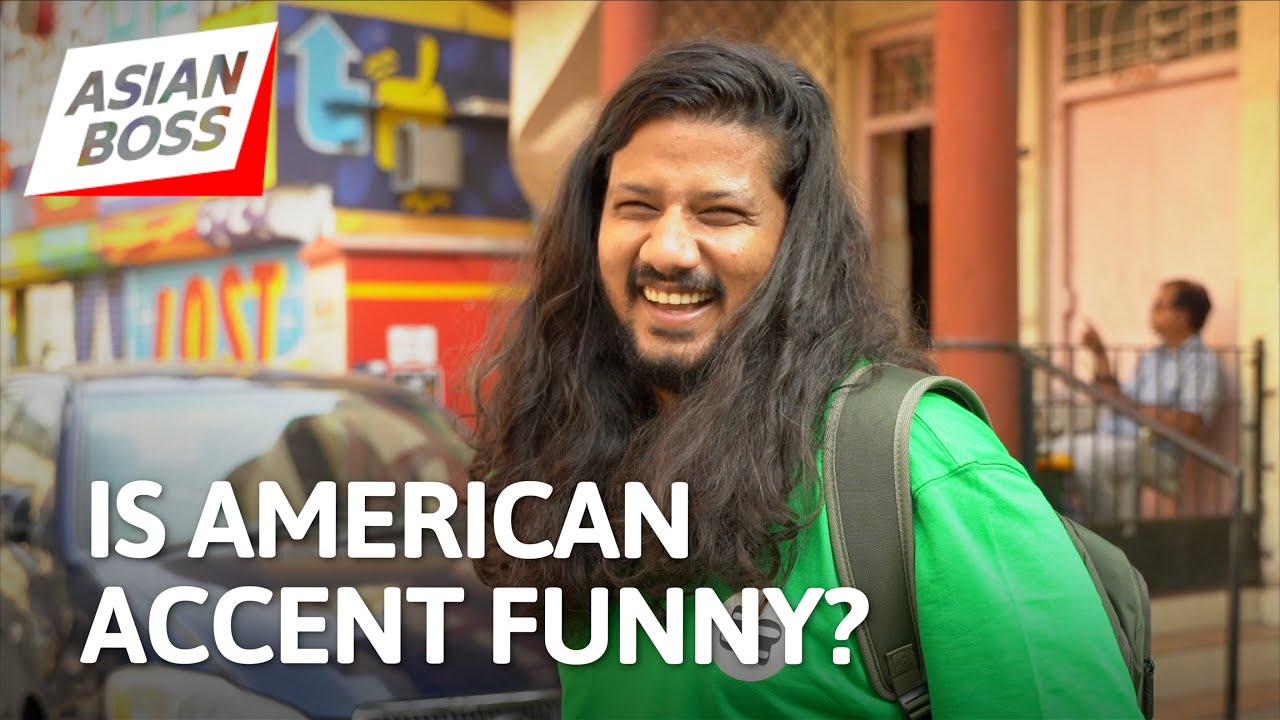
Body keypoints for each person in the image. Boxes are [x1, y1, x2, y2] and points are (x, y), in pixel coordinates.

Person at [468, 39, 1141, 719]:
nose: (667, 249)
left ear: (797, 247)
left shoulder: (923, 466)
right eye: (637, 207)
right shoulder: (583, 452)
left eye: (720, 213)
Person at [1053, 279, 1223, 522]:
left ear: (1183, 316)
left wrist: (1130, 406)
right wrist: (1100, 353)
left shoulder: (1201, 362)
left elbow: (1189, 423)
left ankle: (1107, 534)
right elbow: (1116, 397)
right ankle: (1072, 528)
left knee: (1086, 460)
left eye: (1160, 305)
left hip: (1153, 449)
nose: (1152, 310)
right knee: (1047, 454)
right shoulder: (1152, 356)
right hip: (1110, 438)